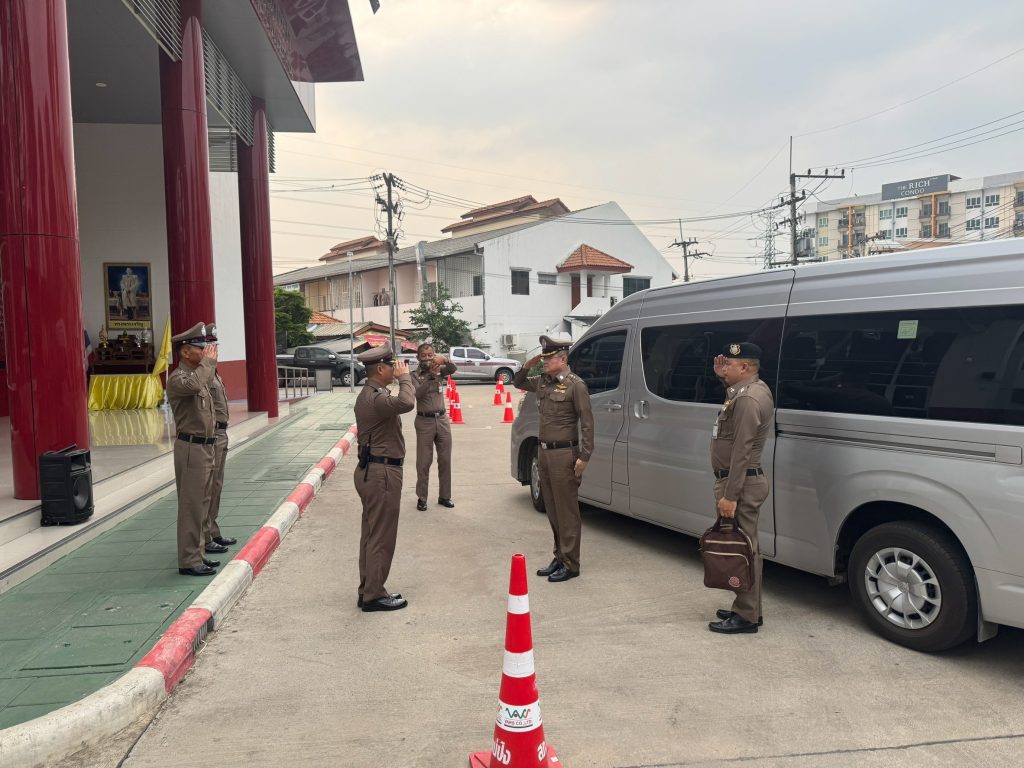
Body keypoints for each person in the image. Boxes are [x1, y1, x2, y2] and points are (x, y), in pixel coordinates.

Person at [514, 334, 594, 583]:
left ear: (563, 359)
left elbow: (587, 423)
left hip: (564, 454)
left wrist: (584, 456)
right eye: (543, 358)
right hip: (544, 452)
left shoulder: (575, 385)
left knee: (567, 511)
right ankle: (559, 556)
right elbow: (518, 382)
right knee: (552, 508)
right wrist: (528, 364)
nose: (544, 362)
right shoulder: (543, 382)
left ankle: (571, 563)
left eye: (549, 358)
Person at [707, 342, 774, 634]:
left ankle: (746, 616)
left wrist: (730, 495)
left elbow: (741, 451)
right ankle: (749, 608)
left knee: (744, 549)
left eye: (730, 365)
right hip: (743, 481)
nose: (725, 367)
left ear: (744, 367)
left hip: (741, 483)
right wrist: (725, 379)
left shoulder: (748, 399)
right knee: (747, 547)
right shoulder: (749, 391)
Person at [353, 343, 415, 612]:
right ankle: (374, 595)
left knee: (371, 534)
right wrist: (405, 378)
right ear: (380, 368)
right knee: (381, 537)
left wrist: (405, 378)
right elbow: (407, 402)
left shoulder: (372, 393)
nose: (396, 369)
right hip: (382, 474)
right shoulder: (376, 398)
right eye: (392, 366)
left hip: (373, 471)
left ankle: (367, 589)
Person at [166, 322, 220, 577]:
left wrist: (206, 365)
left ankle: (198, 553)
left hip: (205, 448)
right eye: (200, 348)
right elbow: (194, 386)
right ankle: (188, 560)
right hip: (190, 448)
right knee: (191, 505)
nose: (206, 351)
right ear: (186, 352)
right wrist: (207, 363)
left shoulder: (200, 374)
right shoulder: (179, 378)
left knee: (202, 503)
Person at [202, 324, 238, 557]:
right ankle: (205, 536)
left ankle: (213, 530)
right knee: (209, 487)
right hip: (212, 435)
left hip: (221, 434)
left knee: (217, 485)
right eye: (211, 346)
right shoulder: (203, 373)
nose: (215, 350)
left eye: (215, 346)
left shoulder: (214, 372)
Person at [409, 343, 458, 511]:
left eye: (431, 355)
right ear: (418, 358)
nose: (428, 358)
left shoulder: (440, 370)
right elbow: (418, 394)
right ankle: (422, 497)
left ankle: (445, 496)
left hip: (442, 419)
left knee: (445, 459)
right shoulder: (414, 375)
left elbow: (453, 369)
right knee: (424, 461)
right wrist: (430, 376)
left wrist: (445, 359)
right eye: (424, 355)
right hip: (424, 421)